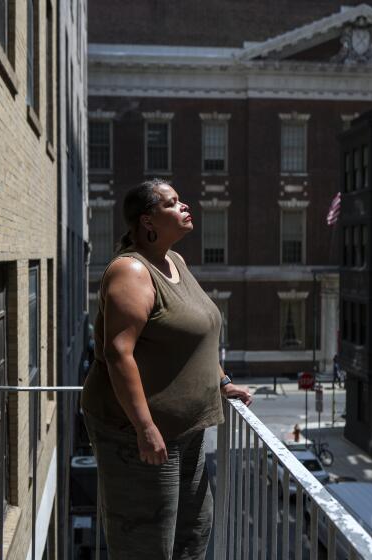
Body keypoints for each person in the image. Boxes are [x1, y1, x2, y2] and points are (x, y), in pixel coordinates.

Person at [81, 180, 252, 560]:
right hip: (139, 434)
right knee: (147, 542)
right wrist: (144, 429)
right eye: (173, 203)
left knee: (193, 534)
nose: (185, 206)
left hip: (187, 430)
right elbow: (118, 353)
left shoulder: (175, 261)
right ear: (148, 221)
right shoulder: (132, 272)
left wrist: (222, 383)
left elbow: (193, 337)